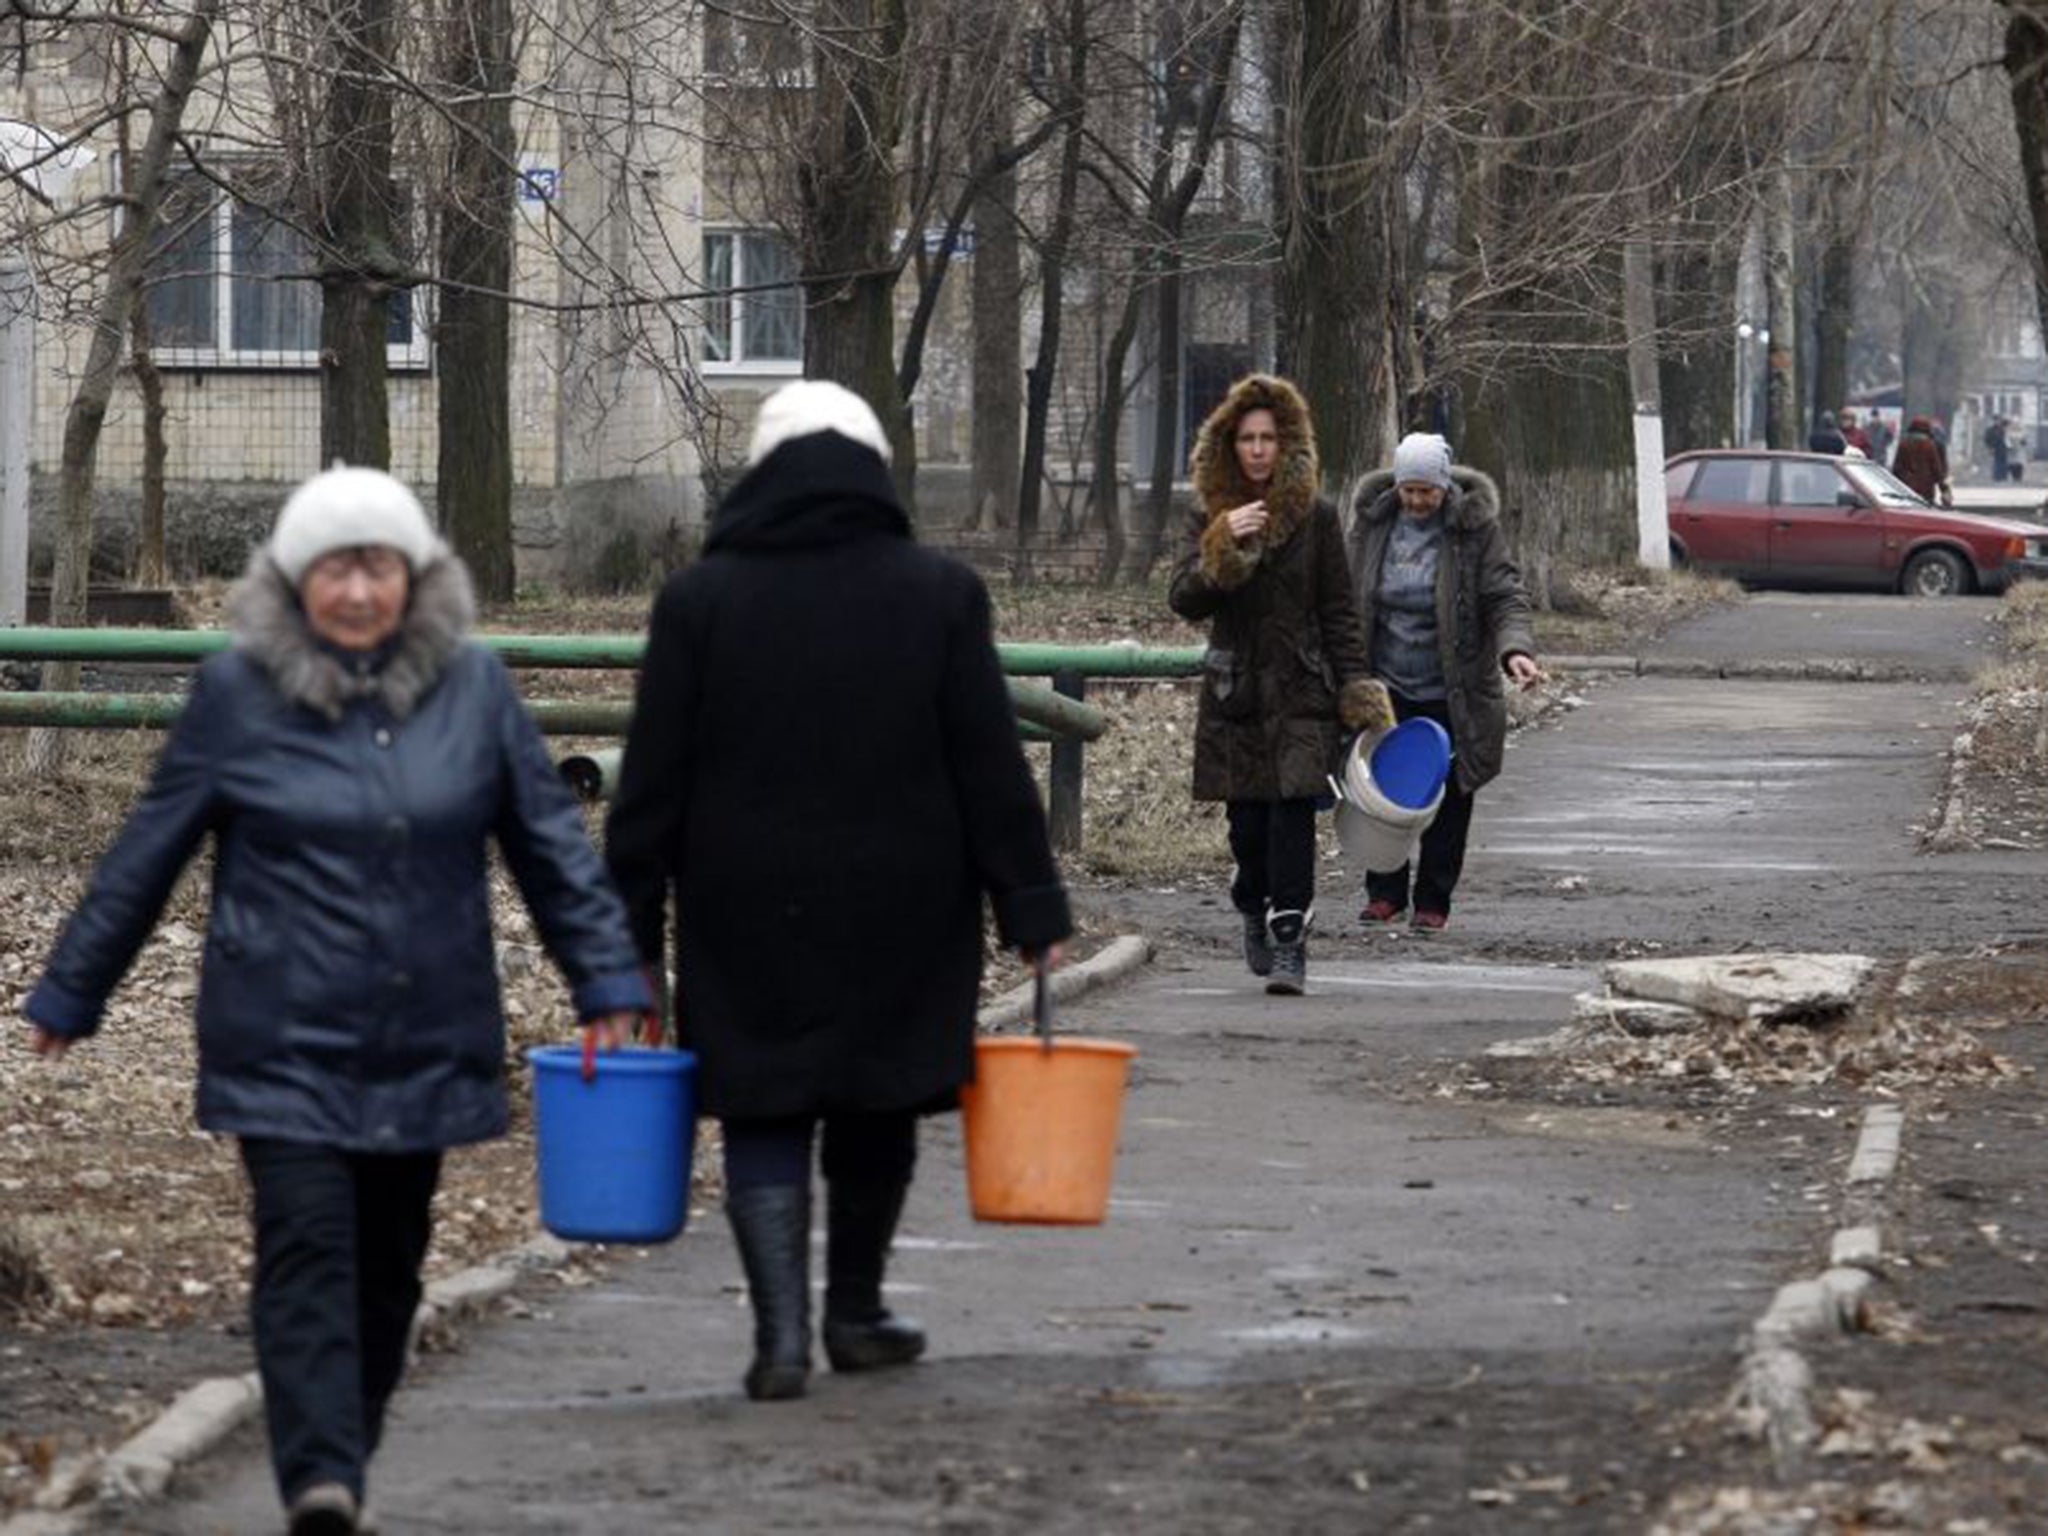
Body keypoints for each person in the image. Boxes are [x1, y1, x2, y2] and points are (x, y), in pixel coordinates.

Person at [22, 467, 651, 1536]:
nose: (358, 592)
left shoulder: (475, 690)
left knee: (388, 1266)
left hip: (429, 1028)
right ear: (296, 579)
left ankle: (339, 1443)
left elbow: (551, 848)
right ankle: (321, 1483)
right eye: (335, 569)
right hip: (280, 1034)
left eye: (379, 567)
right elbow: (147, 850)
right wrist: (73, 989)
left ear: (413, 577)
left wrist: (605, 983)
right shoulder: (237, 693)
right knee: (305, 1248)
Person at [606, 381, 1071, 1404]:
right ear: (872, 470)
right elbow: (987, 766)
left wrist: (625, 940)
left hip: (741, 903)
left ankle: (779, 1338)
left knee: (763, 1107)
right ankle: (854, 1314)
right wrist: (1030, 910)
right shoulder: (939, 593)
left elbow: (649, 787)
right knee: (874, 1102)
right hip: (903, 904)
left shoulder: (698, 601)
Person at [1166, 374, 1388, 996]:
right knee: (1250, 831)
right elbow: (1183, 600)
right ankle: (1251, 903)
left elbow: (1340, 611)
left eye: (1268, 438)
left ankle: (1290, 938)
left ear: (1286, 443)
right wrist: (1222, 546)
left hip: (1302, 693)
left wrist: (1356, 691)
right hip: (1237, 696)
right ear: (1230, 445)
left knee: (1293, 821)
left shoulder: (1315, 518)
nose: (1259, 449)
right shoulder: (1210, 514)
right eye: (1247, 439)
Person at [1347, 434, 1544, 933]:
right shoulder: (1373, 524)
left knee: (1449, 797)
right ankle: (1384, 894)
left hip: (1452, 690)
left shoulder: (1474, 530)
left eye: (1426, 492)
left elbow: (1505, 596)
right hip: (1385, 684)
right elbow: (1344, 593)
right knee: (1384, 795)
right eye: (1407, 490)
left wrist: (1516, 650)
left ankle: (1433, 900)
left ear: (1443, 488)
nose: (1416, 501)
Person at [1893, 414, 1953, 506]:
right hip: (1926, 490)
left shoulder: (1903, 444)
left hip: (1906, 489)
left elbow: (1897, 468)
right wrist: (1944, 488)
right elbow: (1936, 469)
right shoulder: (1929, 445)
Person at [1985, 415, 2011, 483]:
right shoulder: (1990, 430)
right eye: (1996, 420)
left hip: (2003, 448)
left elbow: (2006, 438)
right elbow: (1987, 439)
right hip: (1995, 448)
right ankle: (1997, 476)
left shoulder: (2001, 429)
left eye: (1998, 420)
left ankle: (2003, 476)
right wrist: (1990, 447)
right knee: (1997, 462)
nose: (1997, 422)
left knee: (2004, 462)